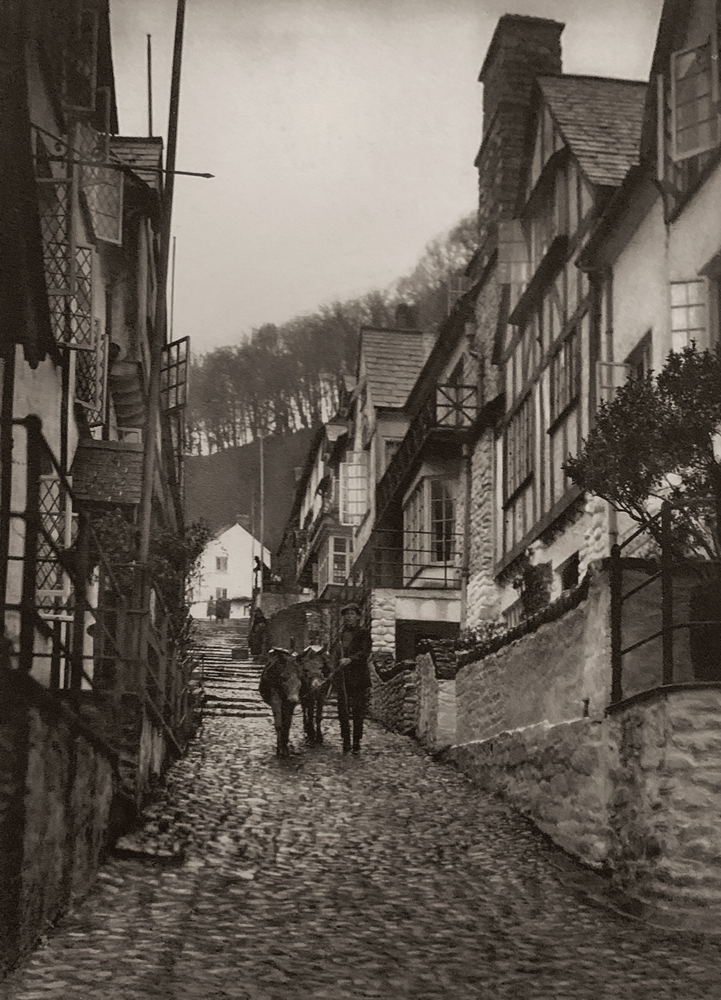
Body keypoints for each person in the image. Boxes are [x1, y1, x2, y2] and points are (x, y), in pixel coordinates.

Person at [333, 602, 372, 754]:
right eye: (346, 615)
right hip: (342, 678)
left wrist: (350, 659)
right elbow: (336, 652)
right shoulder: (341, 634)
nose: (349, 617)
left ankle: (356, 741)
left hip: (358, 678)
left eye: (352, 615)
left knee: (357, 712)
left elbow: (365, 653)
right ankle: (346, 741)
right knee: (342, 712)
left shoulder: (363, 633)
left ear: (357, 617)